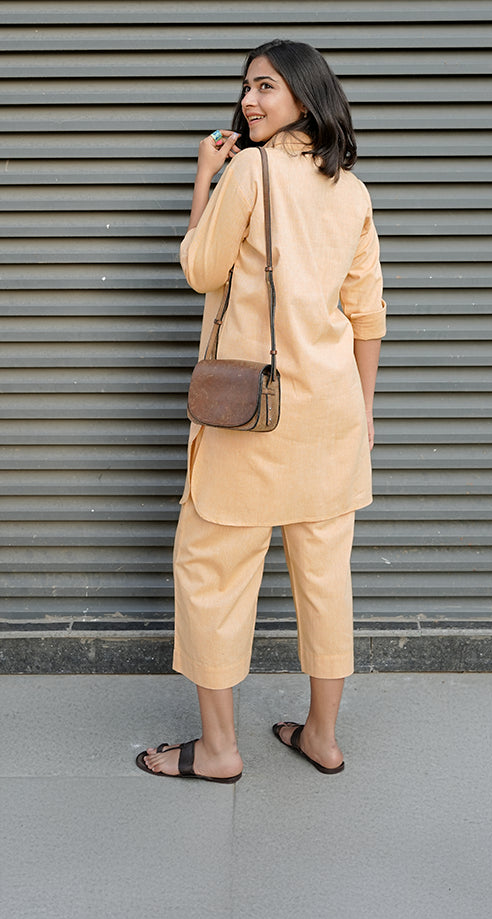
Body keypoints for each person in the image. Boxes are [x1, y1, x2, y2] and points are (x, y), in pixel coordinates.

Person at [136, 39, 386, 783]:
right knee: (325, 582)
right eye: (246, 86)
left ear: (306, 97)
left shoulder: (248, 171)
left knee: (211, 571)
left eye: (266, 86)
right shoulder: (353, 190)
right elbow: (368, 315)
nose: (250, 100)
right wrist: (364, 415)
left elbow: (199, 268)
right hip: (332, 421)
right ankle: (323, 736)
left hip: (252, 421)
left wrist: (205, 177)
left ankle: (217, 750)